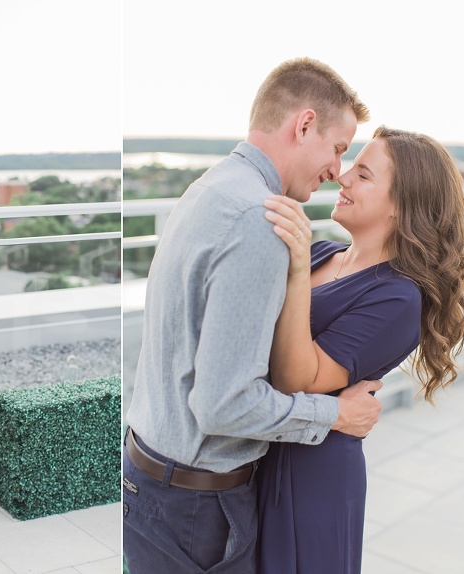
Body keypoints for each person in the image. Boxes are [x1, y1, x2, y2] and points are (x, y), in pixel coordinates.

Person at [123, 57, 380, 573]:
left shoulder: (211, 187)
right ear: (304, 124)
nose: (337, 170)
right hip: (196, 510)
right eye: (337, 148)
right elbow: (223, 406)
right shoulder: (260, 219)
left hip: (148, 478)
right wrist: (335, 415)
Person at [257, 126, 464, 573]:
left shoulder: (397, 297)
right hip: (258, 451)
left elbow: (297, 380)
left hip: (309, 479)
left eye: (364, 174)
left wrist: (294, 271)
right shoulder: (320, 253)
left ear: (402, 205)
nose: (342, 177)